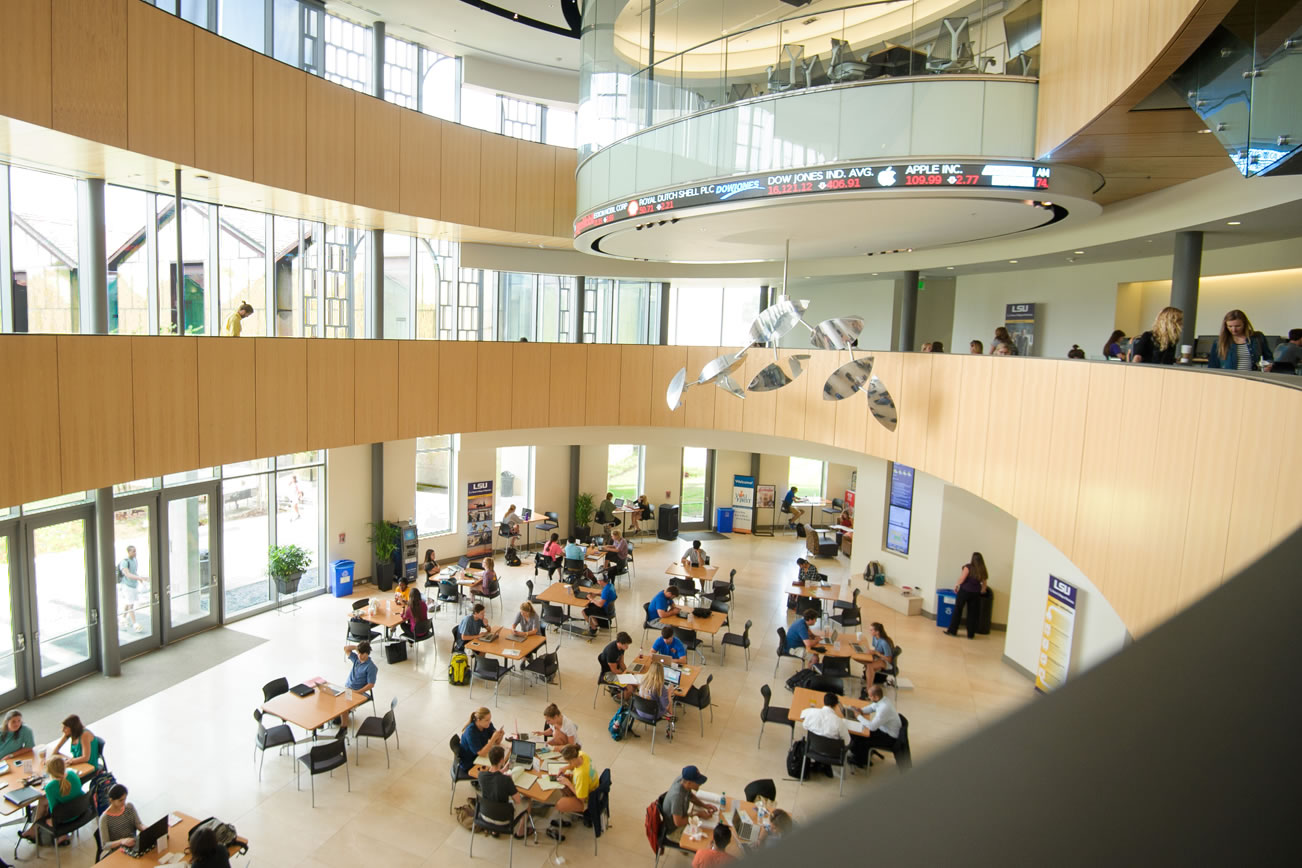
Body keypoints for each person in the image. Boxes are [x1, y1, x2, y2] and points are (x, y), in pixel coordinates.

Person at [22, 755, 83, 844]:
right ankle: (33, 830)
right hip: (80, 809)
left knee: (43, 803)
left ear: (49, 772)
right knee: (43, 801)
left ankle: (34, 830)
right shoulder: (72, 774)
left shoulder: (50, 787)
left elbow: (54, 810)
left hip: (66, 818)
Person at [479, 744, 531, 838]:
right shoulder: (506, 780)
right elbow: (517, 800)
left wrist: (503, 769)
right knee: (527, 799)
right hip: (503, 819)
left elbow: (493, 777)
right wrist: (510, 784)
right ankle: (521, 832)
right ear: (502, 760)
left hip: (485, 814)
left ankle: (494, 831)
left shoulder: (481, 775)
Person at [550, 743, 597, 839]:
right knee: (563, 784)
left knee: (559, 804)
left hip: (587, 800)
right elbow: (573, 765)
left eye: (568, 762)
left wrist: (568, 783)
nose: (568, 764)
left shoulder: (581, 775)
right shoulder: (582, 754)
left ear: (572, 760)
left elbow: (582, 798)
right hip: (592, 789)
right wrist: (565, 768)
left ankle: (578, 812)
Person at [849, 684, 903, 768]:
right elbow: (872, 707)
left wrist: (858, 716)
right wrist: (861, 710)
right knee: (860, 732)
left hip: (889, 738)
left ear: (876, 697)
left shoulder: (884, 708)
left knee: (861, 737)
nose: (869, 698)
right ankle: (862, 754)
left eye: (870, 696)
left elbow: (872, 727)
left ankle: (861, 760)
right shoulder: (882, 700)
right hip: (884, 730)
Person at [663, 765, 718, 843]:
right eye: (698, 783)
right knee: (706, 840)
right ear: (689, 783)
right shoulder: (677, 797)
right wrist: (698, 815)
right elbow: (678, 823)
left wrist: (704, 805)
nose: (700, 784)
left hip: (681, 816)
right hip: (674, 830)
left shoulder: (683, 780)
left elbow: (690, 796)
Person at [1207, 309, 1273, 372]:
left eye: (1237, 326)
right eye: (1230, 326)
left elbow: (1269, 358)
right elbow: (1213, 366)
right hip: (1231, 377)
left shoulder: (1257, 337)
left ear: (1244, 324)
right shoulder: (1219, 342)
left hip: (1254, 377)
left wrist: (1268, 365)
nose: (1234, 329)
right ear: (1225, 326)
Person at [945, 552, 988, 639]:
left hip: (964, 591)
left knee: (958, 610)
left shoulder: (968, 567)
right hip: (975, 593)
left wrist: (956, 585)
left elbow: (962, 579)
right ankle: (970, 634)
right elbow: (984, 584)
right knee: (972, 613)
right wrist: (982, 590)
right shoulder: (982, 569)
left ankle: (952, 631)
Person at [98, 783, 146, 856]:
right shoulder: (105, 818)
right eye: (120, 800)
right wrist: (122, 841)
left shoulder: (129, 807)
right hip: (119, 851)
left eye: (125, 799)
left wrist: (145, 828)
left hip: (133, 845)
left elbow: (138, 824)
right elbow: (105, 845)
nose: (123, 803)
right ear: (111, 800)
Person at [458, 707, 504, 775]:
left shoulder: (487, 725)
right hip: (470, 761)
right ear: (479, 720)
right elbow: (482, 754)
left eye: (490, 719)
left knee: (500, 759)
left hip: (480, 755)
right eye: (487, 720)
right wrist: (493, 739)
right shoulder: (471, 732)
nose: (489, 722)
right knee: (497, 764)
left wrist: (500, 735)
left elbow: (497, 742)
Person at [340, 642, 377, 726]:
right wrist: (357, 647)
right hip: (347, 688)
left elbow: (371, 684)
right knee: (333, 700)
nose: (359, 656)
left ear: (367, 653)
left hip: (357, 692)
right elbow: (346, 649)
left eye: (362, 654)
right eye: (358, 653)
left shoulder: (371, 667)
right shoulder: (356, 659)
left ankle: (343, 727)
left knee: (344, 705)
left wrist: (358, 692)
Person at [117, 544, 147, 633]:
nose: (135, 553)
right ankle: (135, 624)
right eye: (133, 551)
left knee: (128, 602)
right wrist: (139, 578)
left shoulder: (134, 560)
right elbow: (127, 574)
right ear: (129, 552)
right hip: (126, 586)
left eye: (135, 551)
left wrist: (140, 578)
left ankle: (123, 618)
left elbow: (134, 572)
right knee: (131, 605)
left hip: (133, 585)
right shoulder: (124, 562)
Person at [598, 632, 634, 702]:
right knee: (630, 687)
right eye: (626, 645)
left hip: (616, 670)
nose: (627, 647)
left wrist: (627, 672)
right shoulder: (611, 651)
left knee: (634, 682)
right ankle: (620, 699)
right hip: (608, 674)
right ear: (619, 643)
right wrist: (625, 675)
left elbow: (621, 663)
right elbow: (614, 671)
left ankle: (626, 695)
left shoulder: (622, 648)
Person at [638, 658, 676, 725]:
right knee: (670, 701)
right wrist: (669, 694)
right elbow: (666, 706)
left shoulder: (643, 680)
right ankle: (671, 722)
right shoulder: (660, 687)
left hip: (640, 711)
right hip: (652, 714)